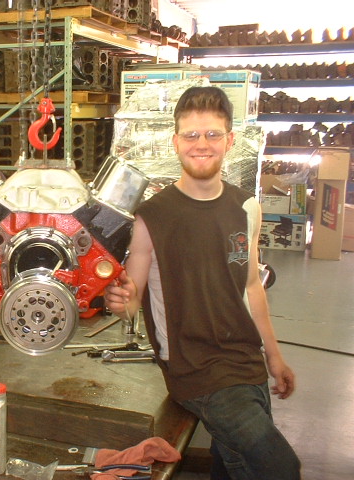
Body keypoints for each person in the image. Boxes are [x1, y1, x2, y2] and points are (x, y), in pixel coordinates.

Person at [104, 86, 301, 480]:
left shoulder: (246, 207)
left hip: (245, 361)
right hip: (194, 368)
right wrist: (118, 299)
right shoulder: (151, 216)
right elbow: (132, 299)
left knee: (231, 462)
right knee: (279, 466)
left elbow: (251, 287)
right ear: (176, 142)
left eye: (212, 134)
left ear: (229, 140)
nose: (202, 144)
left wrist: (273, 357)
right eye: (191, 135)